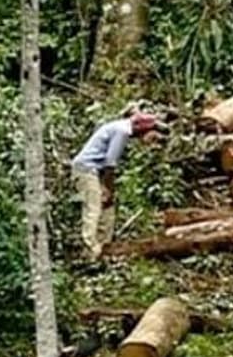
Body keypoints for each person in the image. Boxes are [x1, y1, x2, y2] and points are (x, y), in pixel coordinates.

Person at [70, 101, 167, 258]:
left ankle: (104, 246)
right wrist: (109, 189)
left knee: (107, 206)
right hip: (86, 169)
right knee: (93, 207)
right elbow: (110, 164)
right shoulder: (122, 131)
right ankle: (90, 251)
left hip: (96, 170)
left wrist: (109, 192)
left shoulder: (119, 127)